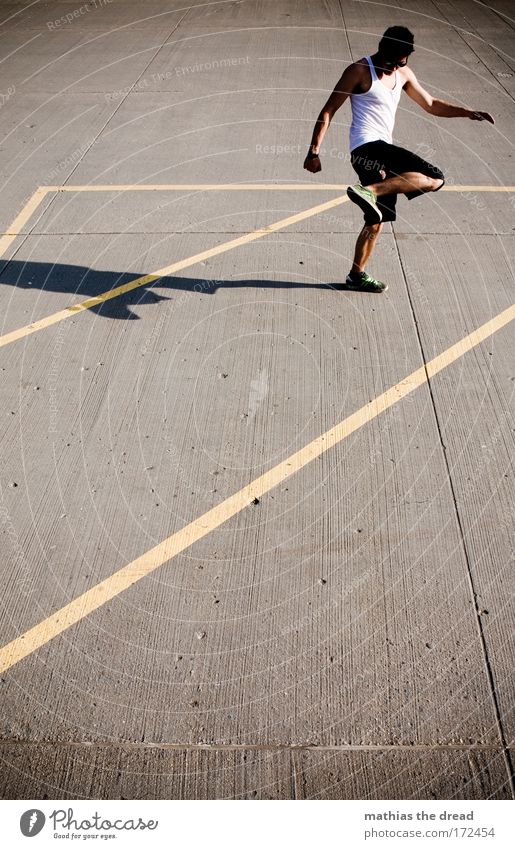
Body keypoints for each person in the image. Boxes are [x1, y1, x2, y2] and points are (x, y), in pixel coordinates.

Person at [304, 26, 494, 292]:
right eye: (389, 63)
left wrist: (467, 112)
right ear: (381, 50)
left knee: (375, 220)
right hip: (366, 149)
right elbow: (328, 110)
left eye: (400, 63)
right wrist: (314, 151)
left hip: (381, 150)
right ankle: (368, 191)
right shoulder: (358, 70)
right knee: (436, 177)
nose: (392, 69)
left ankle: (356, 275)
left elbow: (430, 104)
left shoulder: (403, 74)